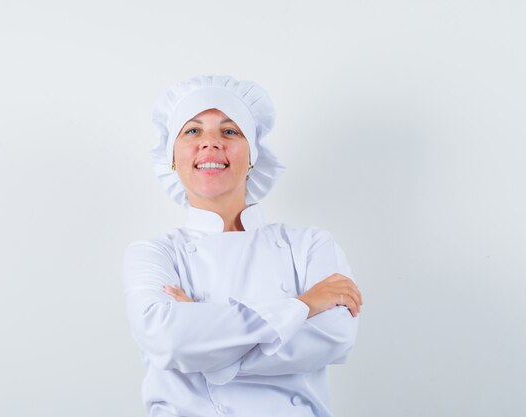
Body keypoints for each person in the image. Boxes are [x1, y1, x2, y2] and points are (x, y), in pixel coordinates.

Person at [123, 75, 363, 417]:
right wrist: (302, 305)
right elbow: (168, 340)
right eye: (192, 131)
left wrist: (205, 343)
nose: (210, 143)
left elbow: (334, 337)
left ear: (253, 155)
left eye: (230, 131)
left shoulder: (309, 245)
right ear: (171, 157)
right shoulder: (154, 254)